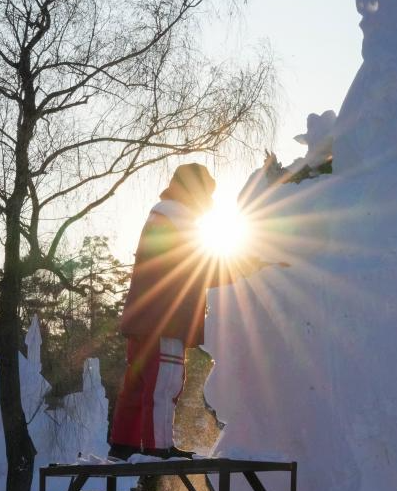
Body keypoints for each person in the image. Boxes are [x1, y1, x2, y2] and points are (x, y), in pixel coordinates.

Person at [108, 163, 277, 461]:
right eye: (206, 195)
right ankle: (159, 447)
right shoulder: (178, 220)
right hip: (166, 321)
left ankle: (124, 444)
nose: (208, 204)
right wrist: (252, 265)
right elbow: (201, 267)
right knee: (165, 385)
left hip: (144, 320)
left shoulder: (161, 217)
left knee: (137, 385)